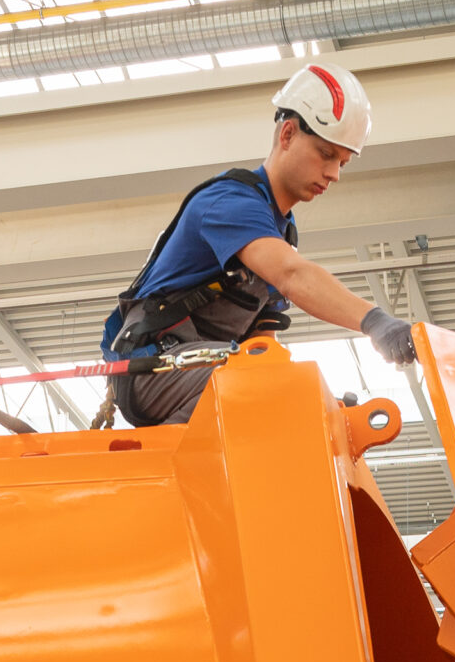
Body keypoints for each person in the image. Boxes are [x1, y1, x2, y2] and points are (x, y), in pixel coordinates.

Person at [101, 61, 416, 426]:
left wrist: (316, 402)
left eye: (342, 163)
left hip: (200, 370)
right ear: (288, 134)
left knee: (293, 390)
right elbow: (292, 275)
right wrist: (374, 321)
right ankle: (181, 454)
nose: (334, 174)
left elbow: (262, 343)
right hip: (152, 369)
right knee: (270, 383)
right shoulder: (231, 203)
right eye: (326, 154)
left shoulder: (280, 234)